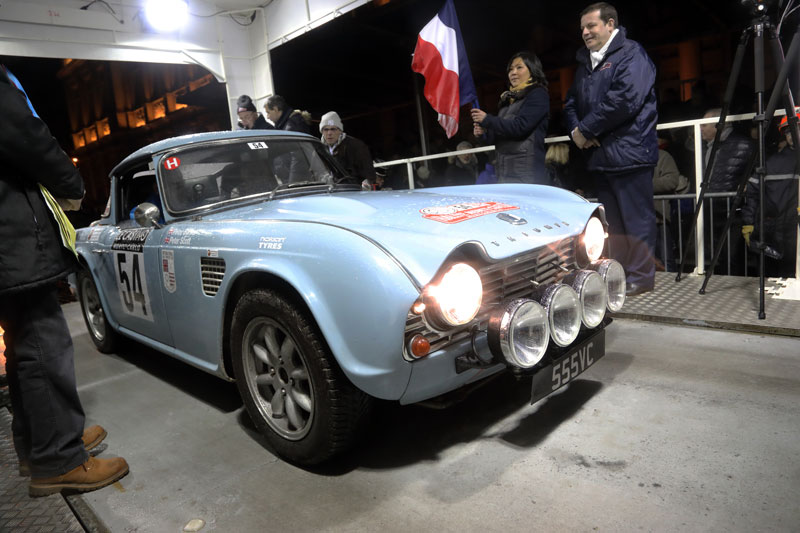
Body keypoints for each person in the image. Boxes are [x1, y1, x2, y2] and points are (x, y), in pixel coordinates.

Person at [0, 64, 129, 497]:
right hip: (10, 235)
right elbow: (24, 132)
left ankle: (37, 447)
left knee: (24, 348)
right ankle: (59, 459)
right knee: (43, 346)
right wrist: (69, 183)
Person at [564, 2, 659, 296]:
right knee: (614, 226)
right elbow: (570, 103)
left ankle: (641, 278)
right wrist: (576, 131)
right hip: (602, 158)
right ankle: (618, 275)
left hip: (630, 153)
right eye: (582, 28)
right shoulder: (585, 64)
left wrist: (586, 129)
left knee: (637, 221)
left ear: (610, 24)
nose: (585, 32)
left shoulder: (632, 54)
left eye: (591, 26)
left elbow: (625, 100)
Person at [471, 51, 550, 184]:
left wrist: (487, 120)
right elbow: (498, 137)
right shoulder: (508, 100)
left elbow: (520, 127)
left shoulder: (538, 94)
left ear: (532, 69)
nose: (513, 72)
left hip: (527, 172)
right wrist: (484, 133)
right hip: (504, 171)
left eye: (519, 67)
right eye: (510, 69)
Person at [741, 111, 799, 278]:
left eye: (796, 128)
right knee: (772, 284)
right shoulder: (770, 164)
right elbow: (752, 196)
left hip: (793, 233)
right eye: (787, 131)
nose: (791, 134)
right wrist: (748, 224)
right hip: (774, 235)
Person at [652, 144, 690, 271]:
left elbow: (672, 180)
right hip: (637, 217)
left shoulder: (662, 156)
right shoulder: (633, 156)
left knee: (665, 257)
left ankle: (670, 283)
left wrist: (643, 184)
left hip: (659, 218)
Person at [319, 111, 376, 188]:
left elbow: (369, 174)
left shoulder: (356, 146)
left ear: (340, 130)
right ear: (322, 131)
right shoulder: (318, 149)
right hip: (325, 191)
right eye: (326, 129)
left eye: (333, 129)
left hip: (350, 191)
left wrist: (366, 183)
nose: (329, 133)